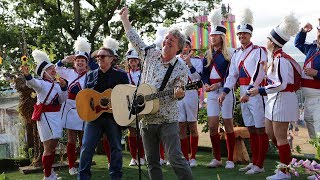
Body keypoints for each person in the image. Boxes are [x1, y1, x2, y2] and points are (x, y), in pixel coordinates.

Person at [120, 7, 194, 180]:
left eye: (172, 41)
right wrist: (125, 20)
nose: (168, 41)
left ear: (178, 48)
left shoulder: (181, 67)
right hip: (146, 116)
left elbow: (180, 88)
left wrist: (179, 93)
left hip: (167, 118)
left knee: (175, 158)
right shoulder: (150, 54)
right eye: (167, 38)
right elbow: (134, 39)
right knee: (152, 162)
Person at [248, 13, 301, 179]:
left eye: (268, 38)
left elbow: (282, 84)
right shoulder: (275, 58)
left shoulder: (281, 60)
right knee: (271, 134)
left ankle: (284, 172)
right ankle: (285, 165)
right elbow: (277, 80)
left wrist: (260, 90)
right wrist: (265, 71)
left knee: (280, 137)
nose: (266, 40)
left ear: (273, 41)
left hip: (283, 100)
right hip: (275, 101)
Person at [218, 8, 269, 175]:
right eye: (239, 34)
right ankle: (254, 162)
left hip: (254, 92)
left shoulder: (259, 50)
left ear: (250, 35)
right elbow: (232, 75)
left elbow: (260, 73)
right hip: (243, 92)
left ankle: (260, 165)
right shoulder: (236, 53)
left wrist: (248, 92)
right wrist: (225, 92)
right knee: (251, 128)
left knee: (260, 128)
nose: (241, 37)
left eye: (245, 34)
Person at [77, 36, 129, 180]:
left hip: (113, 117)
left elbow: (127, 96)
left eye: (102, 56)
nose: (99, 58)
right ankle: (83, 177)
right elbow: (86, 96)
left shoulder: (121, 75)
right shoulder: (90, 75)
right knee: (87, 148)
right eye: (97, 57)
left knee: (116, 148)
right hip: (93, 117)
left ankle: (116, 176)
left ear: (112, 58)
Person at [21, 49, 68, 180]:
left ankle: (50, 171)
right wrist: (27, 75)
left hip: (56, 116)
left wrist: (64, 87)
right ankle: (47, 176)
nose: (54, 70)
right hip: (45, 116)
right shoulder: (41, 83)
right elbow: (32, 83)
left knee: (53, 146)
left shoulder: (57, 85)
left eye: (54, 68)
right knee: (48, 147)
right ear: (44, 72)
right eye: (50, 68)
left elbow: (63, 99)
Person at [202, 9, 235, 169]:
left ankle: (230, 159)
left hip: (226, 92)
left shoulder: (230, 54)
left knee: (228, 124)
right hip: (212, 93)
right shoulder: (207, 54)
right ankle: (216, 158)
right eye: (211, 35)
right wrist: (206, 84)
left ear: (221, 38)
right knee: (213, 125)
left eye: (215, 35)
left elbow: (231, 75)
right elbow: (204, 74)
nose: (212, 37)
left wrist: (220, 85)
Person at [55, 36, 91, 175]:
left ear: (86, 63)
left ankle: (83, 165)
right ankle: (71, 166)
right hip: (70, 108)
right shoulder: (68, 72)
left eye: (83, 61)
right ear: (74, 63)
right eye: (78, 61)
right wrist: (64, 60)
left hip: (85, 108)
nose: (80, 63)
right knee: (71, 139)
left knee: (84, 139)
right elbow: (55, 69)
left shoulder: (90, 75)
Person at [177, 23, 203, 168]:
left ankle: (193, 157)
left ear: (190, 46)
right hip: (179, 94)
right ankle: (184, 156)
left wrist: (189, 64)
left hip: (192, 93)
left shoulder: (197, 61)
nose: (185, 47)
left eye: (187, 44)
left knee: (192, 125)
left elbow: (198, 79)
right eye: (183, 44)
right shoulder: (175, 60)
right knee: (181, 125)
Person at [294, 18, 320, 139]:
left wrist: (317, 73)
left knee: (319, 133)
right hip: (308, 99)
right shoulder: (312, 48)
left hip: (318, 98)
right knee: (312, 134)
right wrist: (303, 31)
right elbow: (298, 43)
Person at [125, 47, 145, 166]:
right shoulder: (125, 74)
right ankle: (133, 157)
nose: (133, 63)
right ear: (128, 62)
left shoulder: (143, 73)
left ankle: (141, 156)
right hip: (129, 104)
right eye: (130, 61)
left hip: (142, 103)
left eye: (135, 60)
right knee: (131, 131)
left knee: (141, 131)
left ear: (138, 61)